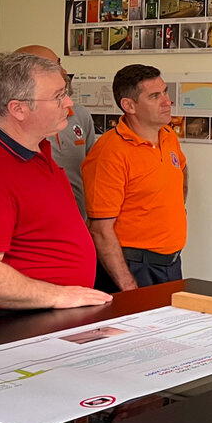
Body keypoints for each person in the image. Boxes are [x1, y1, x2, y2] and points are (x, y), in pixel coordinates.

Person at [0, 52, 111, 323]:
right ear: (18, 109)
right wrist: (59, 295)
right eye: (58, 96)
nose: (68, 103)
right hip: (9, 321)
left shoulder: (37, 148)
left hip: (47, 312)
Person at [81, 64, 187, 292]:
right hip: (133, 266)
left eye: (165, 92)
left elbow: (181, 171)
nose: (167, 102)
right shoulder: (110, 152)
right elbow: (100, 230)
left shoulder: (168, 136)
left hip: (170, 263)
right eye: (155, 96)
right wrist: (128, 285)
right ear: (129, 105)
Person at [15, 44, 96, 218]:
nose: (64, 72)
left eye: (59, 64)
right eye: (53, 67)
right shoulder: (11, 122)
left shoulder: (81, 115)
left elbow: (92, 173)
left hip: (78, 224)